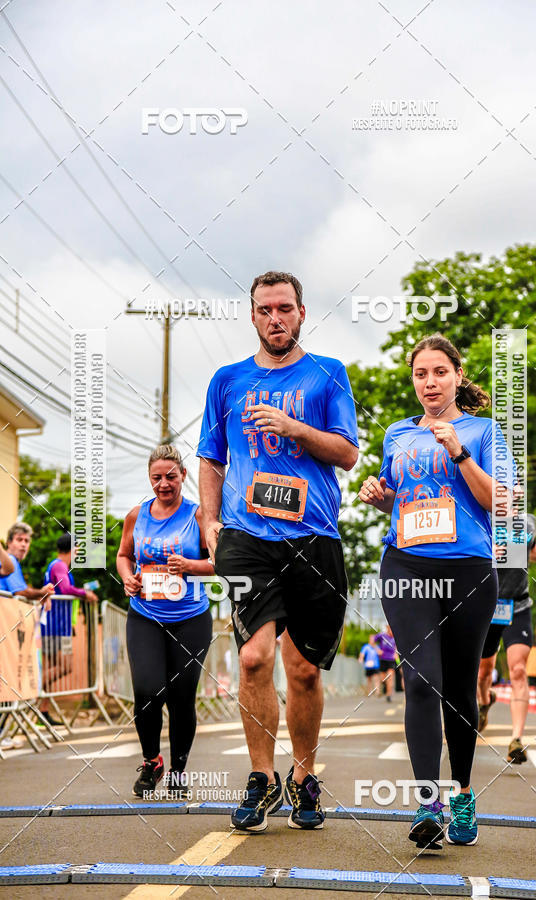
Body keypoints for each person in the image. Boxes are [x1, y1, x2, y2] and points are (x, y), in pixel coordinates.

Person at [198, 270, 358, 833]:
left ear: (301, 312)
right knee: (252, 658)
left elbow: (347, 454)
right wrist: (210, 519)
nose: (275, 318)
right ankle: (261, 777)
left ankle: (304, 777)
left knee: (305, 671)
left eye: (284, 308)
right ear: (252, 316)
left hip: (314, 536)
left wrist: (294, 427)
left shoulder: (328, 373)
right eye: (265, 309)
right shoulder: (227, 380)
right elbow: (211, 456)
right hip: (247, 537)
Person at [359, 333, 514, 850]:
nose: (430, 383)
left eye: (440, 372)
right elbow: (400, 500)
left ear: (458, 375)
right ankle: (428, 803)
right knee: (421, 679)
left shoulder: (484, 431)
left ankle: (463, 793)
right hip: (406, 565)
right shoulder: (397, 434)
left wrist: (460, 453)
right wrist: (380, 496)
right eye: (421, 374)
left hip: (468, 568)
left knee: (460, 688)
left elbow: (501, 503)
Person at [117, 445, 214, 798]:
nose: (163, 484)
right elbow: (124, 555)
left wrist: (190, 566)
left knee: (181, 697)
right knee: (147, 691)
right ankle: (152, 762)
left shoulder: (199, 516)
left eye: (171, 477)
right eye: (156, 477)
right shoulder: (136, 515)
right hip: (145, 615)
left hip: (190, 618)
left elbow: (220, 562)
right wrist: (127, 578)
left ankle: (177, 771)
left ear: (183, 476)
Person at [477, 514, 536, 764]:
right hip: (486, 604)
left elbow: (530, 550)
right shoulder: (480, 515)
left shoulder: (528, 521)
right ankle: (485, 700)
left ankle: (516, 740)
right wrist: (486, 552)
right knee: (482, 673)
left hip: (517, 606)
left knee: (519, 670)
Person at [39, 534, 99, 724]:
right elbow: (65, 589)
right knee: (65, 667)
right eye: (78, 547)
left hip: (54, 624)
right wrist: (85, 593)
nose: (79, 551)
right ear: (72, 548)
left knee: (50, 668)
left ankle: (43, 711)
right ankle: (31, 688)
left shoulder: (55, 565)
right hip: (56, 626)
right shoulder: (60, 566)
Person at [374, 625, 397, 702]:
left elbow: (397, 646)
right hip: (383, 659)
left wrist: (396, 653)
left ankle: (388, 695)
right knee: (383, 679)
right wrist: (377, 650)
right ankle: (385, 686)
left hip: (391, 660)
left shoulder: (395, 638)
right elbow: (372, 641)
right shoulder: (382, 635)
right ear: (387, 628)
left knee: (390, 678)